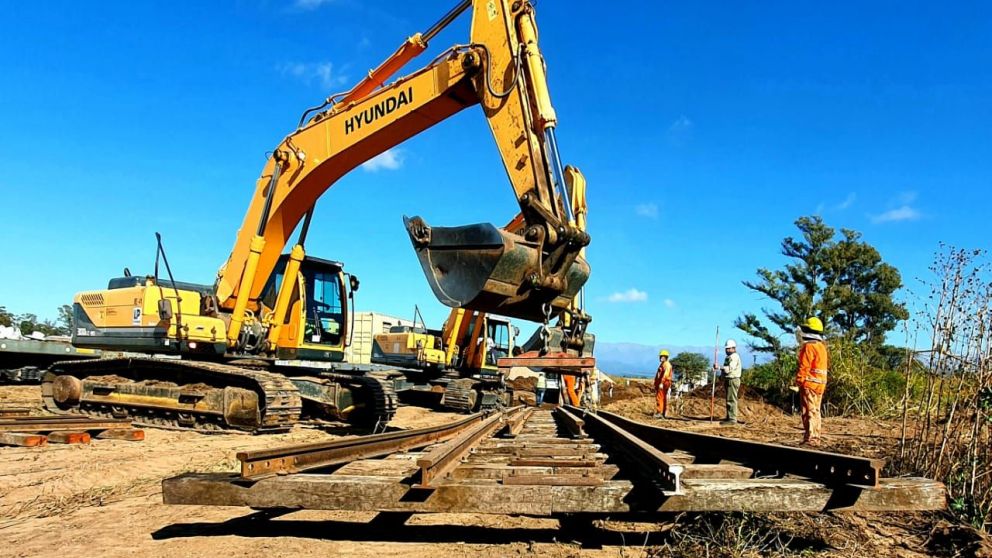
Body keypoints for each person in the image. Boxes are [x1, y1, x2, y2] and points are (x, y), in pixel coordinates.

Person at [795, 317, 829, 446]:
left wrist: (799, 381)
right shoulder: (821, 347)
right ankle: (815, 437)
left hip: (809, 383)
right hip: (820, 384)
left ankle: (811, 438)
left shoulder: (809, 347)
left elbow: (804, 366)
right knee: (815, 411)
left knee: (808, 411)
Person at [714, 339, 742, 425]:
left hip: (733, 380)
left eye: (729, 348)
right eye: (726, 349)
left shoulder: (734, 357)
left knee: (731, 399)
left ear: (733, 348)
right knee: (729, 399)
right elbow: (725, 370)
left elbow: (729, 369)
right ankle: (729, 416)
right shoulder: (728, 357)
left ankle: (732, 419)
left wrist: (719, 367)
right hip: (728, 380)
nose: (727, 350)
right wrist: (721, 376)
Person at [654, 350, 673, 418]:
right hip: (663, 382)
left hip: (664, 383)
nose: (660, 357)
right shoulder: (663, 364)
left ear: (666, 357)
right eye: (660, 356)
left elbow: (665, 374)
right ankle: (663, 413)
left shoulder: (666, 364)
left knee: (660, 397)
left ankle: (660, 412)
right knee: (663, 397)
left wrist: (661, 383)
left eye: (662, 356)